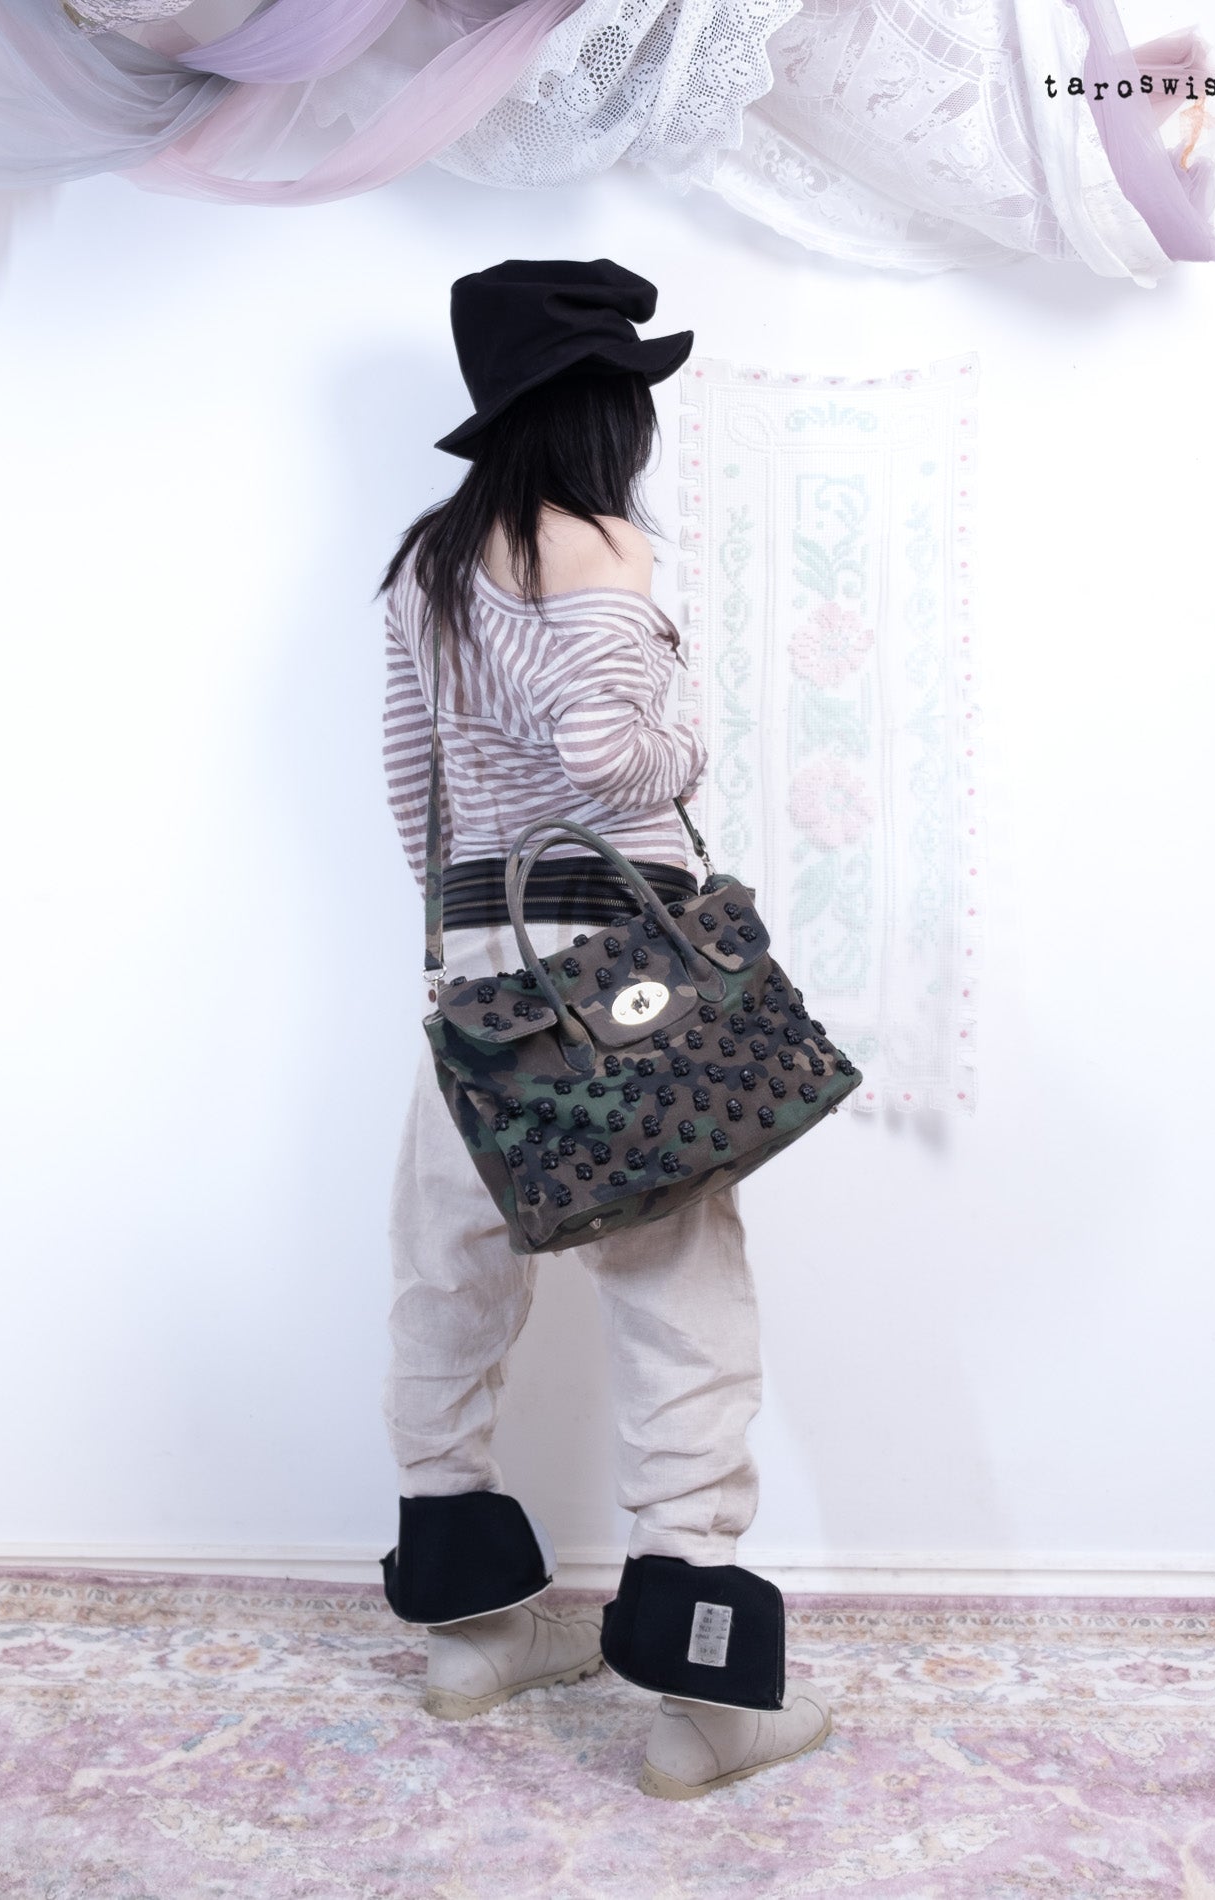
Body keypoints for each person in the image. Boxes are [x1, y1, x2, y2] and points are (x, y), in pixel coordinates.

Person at [374, 258, 830, 1800]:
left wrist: (476, 955)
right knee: (679, 1305)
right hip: (618, 969)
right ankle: (703, 1700)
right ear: (598, 409)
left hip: (474, 970)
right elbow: (611, 762)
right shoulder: (594, 544)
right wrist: (688, 721)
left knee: (446, 1284)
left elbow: (414, 792)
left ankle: (471, 1635)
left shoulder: (426, 564)